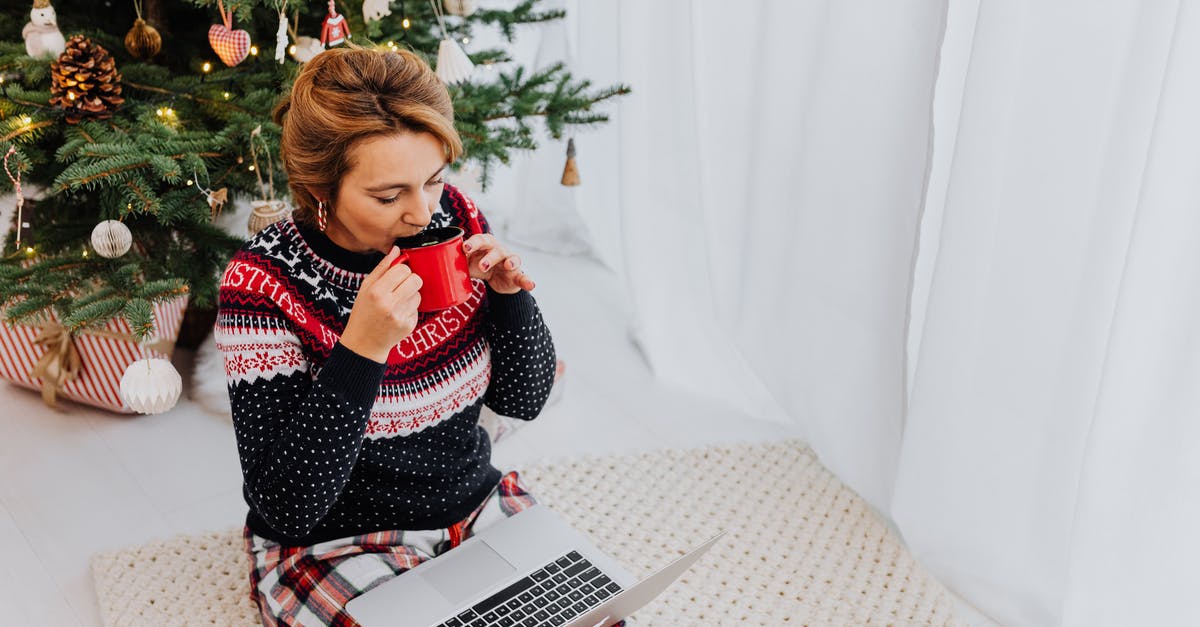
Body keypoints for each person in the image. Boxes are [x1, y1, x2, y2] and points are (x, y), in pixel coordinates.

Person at [215, 46, 590, 626]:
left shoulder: (453, 218)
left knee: (596, 613)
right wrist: (361, 350)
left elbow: (522, 401)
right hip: (335, 541)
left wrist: (512, 299)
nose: (421, 212)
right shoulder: (262, 285)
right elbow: (286, 505)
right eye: (389, 196)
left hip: (473, 505)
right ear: (321, 189)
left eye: (434, 180)